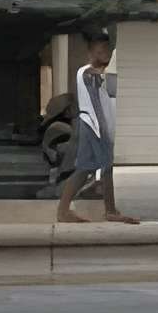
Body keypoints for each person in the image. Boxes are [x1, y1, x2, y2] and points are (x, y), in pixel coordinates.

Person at [55, 33, 135, 224]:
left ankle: (63, 211)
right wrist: (104, 133)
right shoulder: (86, 72)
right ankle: (110, 211)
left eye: (108, 50)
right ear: (91, 53)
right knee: (107, 167)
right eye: (101, 51)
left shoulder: (103, 75)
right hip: (94, 125)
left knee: (83, 170)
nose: (105, 54)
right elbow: (97, 99)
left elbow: (110, 99)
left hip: (95, 125)